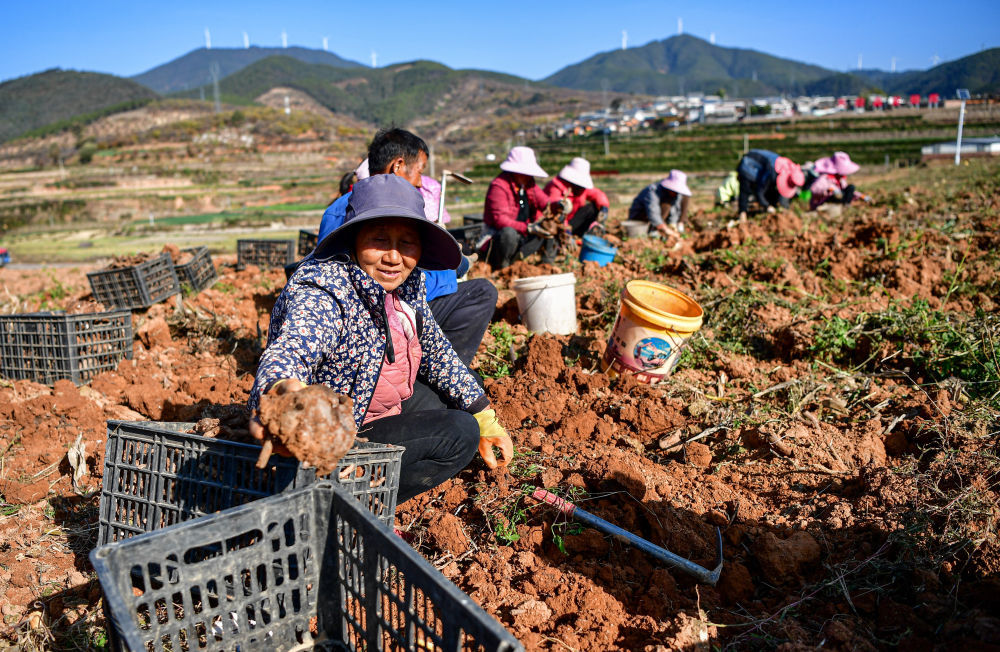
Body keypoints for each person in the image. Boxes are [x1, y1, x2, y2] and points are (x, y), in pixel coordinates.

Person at [248, 175, 514, 504]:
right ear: (355, 240)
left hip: (378, 406)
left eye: (407, 243)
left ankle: (365, 485)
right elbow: (293, 349)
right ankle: (349, 499)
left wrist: (487, 419)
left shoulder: (408, 284)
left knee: (461, 394)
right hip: (336, 434)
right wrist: (281, 394)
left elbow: (437, 353)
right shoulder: (326, 287)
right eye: (379, 240)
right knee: (459, 433)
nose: (392, 256)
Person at [316, 129, 497, 366]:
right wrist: (452, 272)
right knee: (480, 293)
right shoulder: (374, 215)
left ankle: (433, 371)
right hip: (378, 326)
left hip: (391, 318)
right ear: (398, 166)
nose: (421, 181)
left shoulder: (349, 209)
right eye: (420, 170)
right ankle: (424, 372)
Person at [481, 146, 556, 270]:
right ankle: (503, 266)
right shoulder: (499, 186)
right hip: (499, 238)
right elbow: (500, 220)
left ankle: (546, 265)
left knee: (548, 227)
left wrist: (558, 205)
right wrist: (528, 228)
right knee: (508, 233)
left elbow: (544, 202)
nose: (528, 176)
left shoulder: (528, 184)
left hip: (522, 234)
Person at [543, 157, 610, 236]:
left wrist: (604, 208)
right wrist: (565, 227)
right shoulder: (555, 186)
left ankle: (583, 234)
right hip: (555, 223)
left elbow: (597, 194)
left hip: (573, 221)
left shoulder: (581, 188)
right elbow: (553, 204)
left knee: (592, 208)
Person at [735, 149, 804, 221]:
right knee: (746, 188)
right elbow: (760, 191)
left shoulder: (784, 169)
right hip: (748, 164)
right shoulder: (772, 171)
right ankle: (742, 214)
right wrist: (767, 206)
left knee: (768, 190)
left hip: (761, 168)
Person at [627, 169, 692, 236]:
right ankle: (653, 230)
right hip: (639, 217)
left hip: (657, 218)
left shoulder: (674, 194)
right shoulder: (653, 191)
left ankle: (657, 228)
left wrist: (673, 224)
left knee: (668, 204)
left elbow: (674, 209)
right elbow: (652, 211)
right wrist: (665, 229)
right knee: (665, 206)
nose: (675, 193)